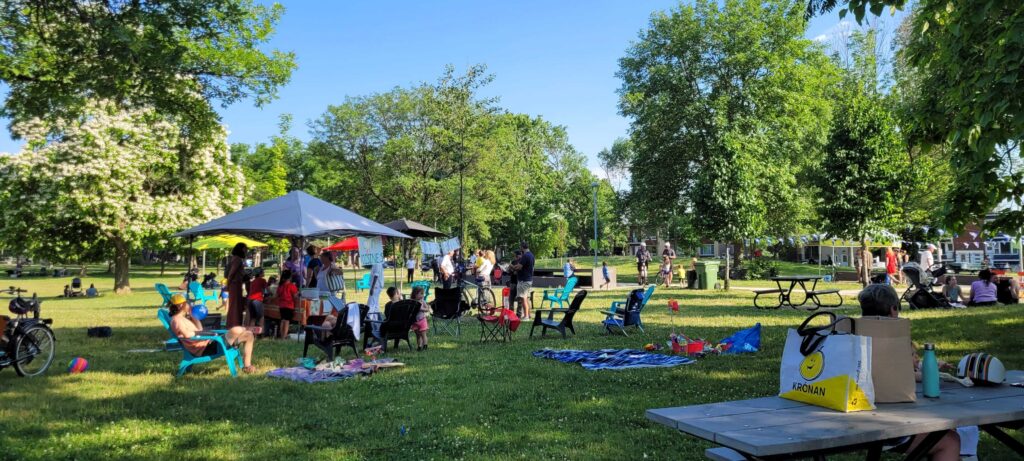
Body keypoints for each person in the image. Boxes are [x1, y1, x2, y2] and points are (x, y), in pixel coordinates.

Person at [857, 284, 963, 461]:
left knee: (944, 431)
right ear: (893, 310)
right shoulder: (894, 341)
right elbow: (901, 374)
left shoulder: (853, 335)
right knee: (950, 441)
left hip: (855, 418)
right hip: (885, 425)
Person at [168, 293, 257, 374]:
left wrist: (194, 317)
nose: (189, 304)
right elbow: (187, 335)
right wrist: (200, 333)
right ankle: (246, 331)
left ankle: (247, 366)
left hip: (209, 343)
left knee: (249, 335)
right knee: (236, 330)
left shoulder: (183, 318)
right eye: (186, 302)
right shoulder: (177, 320)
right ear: (180, 306)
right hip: (204, 348)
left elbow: (200, 329)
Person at [225, 242, 247, 328]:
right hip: (235, 284)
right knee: (235, 306)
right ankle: (234, 324)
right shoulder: (237, 259)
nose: (246, 251)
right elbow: (232, 273)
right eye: (245, 249)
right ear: (241, 249)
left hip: (235, 284)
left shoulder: (234, 258)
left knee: (235, 305)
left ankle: (234, 324)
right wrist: (228, 284)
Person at [512, 241, 535, 320]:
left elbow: (518, 267)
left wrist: (511, 266)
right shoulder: (531, 255)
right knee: (526, 298)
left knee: (523, 298)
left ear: (522, 247)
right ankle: (528, 315)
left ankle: (526, 316)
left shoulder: (525, 256)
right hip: (529, 279)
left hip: (524, 280)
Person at [274, 269, 299, 339]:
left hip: (281, 306)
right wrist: (298, 294)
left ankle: (282, 335)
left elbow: (276, 295)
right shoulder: (292, 286)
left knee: (283, 320)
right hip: (289, 306)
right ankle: (284, 336)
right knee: (287, 321)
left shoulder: (280, 286)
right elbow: (295, 296)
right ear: (290, 277)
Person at [410, 286, 431, 351]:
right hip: (415, 321)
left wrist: (423, 309)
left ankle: (425, 345)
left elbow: (427, 308)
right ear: (415, 294)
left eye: (423, 294)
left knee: (423, 334)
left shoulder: (422, 301)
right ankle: (419, 346)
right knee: (418, 335)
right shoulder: (412, 302)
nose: (422, 295)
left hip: (422, 320)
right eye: (421, 293)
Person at [246, 268, 267, 332]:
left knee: (253, 318)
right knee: (261, 317)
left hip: (250, 300)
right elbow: (266, 290)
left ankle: (251, 334)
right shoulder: (262, 280)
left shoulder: (253, 281)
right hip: (257, 300)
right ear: (260, 273)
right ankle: (261, 334)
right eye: (263, 272)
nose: (264, 273)